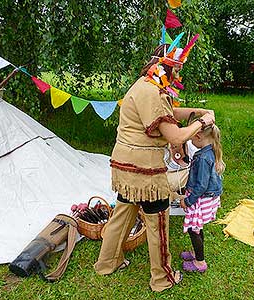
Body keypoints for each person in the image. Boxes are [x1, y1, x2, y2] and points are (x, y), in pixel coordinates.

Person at [94, 39, 216, 292]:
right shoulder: (153, 91)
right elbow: (175, 136)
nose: (179, 74)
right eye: (177, 68)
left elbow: (167, 112)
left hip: (125, 167)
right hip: (145, 171)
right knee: (158, 223)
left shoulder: (143, 85)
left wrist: (196, 111)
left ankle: (107, 263)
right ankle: (162, 278)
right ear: (166, 66)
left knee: (122, 215)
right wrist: (201, 124)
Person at [180, 124, 225, 273]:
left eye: (191, 136)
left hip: (199, 199)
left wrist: (187, 201)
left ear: (198, 136)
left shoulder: (202, 158)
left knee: (194, 230)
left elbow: (201, 185)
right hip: (206, 197)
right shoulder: (210, 151)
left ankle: (200, 262)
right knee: (197, 228)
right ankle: (195, 252)